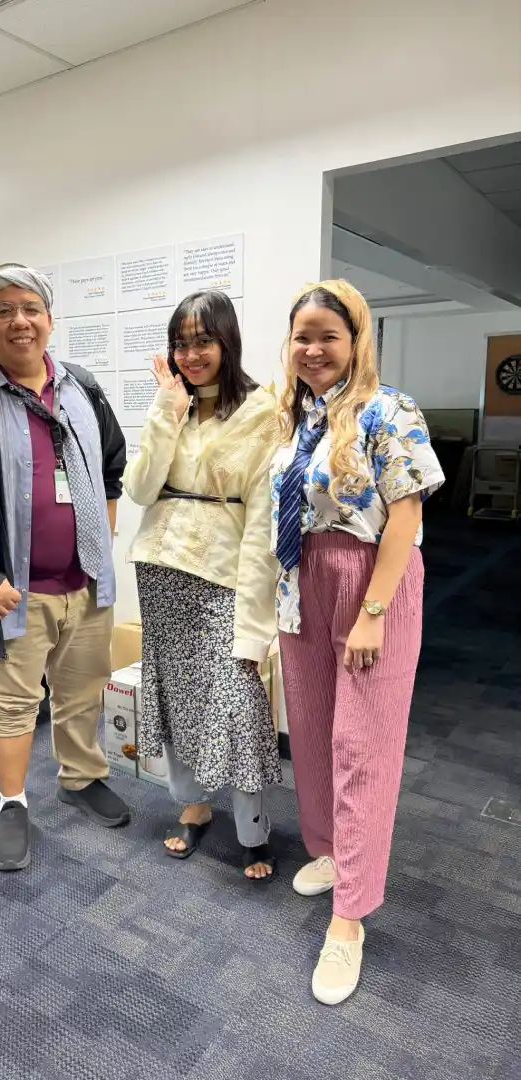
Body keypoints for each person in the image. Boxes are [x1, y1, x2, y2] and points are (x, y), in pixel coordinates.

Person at [0, 264, 129, 872]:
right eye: (3, 310)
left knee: (80, 691)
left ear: (49, 319)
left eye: (30, 308)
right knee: (10, 706)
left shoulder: (81, 386)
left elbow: (111, 466)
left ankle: (81, 776)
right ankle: (13, 803)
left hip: (86, 585)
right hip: (12, 592)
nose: (19, 321)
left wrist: (101, 542)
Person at [271, 279, 444, 1004]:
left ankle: (351, 918)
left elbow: (403, 516)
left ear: (356, 341)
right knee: (310, 733)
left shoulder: (388, 409)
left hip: (369, 579)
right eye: (302, 336)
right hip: (301, 582)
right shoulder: (298, 415)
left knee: (361, 745)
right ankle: (332, 850)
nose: (313, 350)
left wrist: (372, 610)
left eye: (328, 337)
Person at [124, 291, 281, 881]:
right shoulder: (172, 404)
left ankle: (253, 832)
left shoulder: (265, 413)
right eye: (181, 343)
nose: (191, 355)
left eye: (203, 341)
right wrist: (166, 408)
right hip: (160, 567)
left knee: (238, 705)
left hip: (222, 575)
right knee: (175, 696)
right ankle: (192, 807)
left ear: (226, 341)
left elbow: (263, 526)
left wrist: (255, 626)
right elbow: (140, 490)